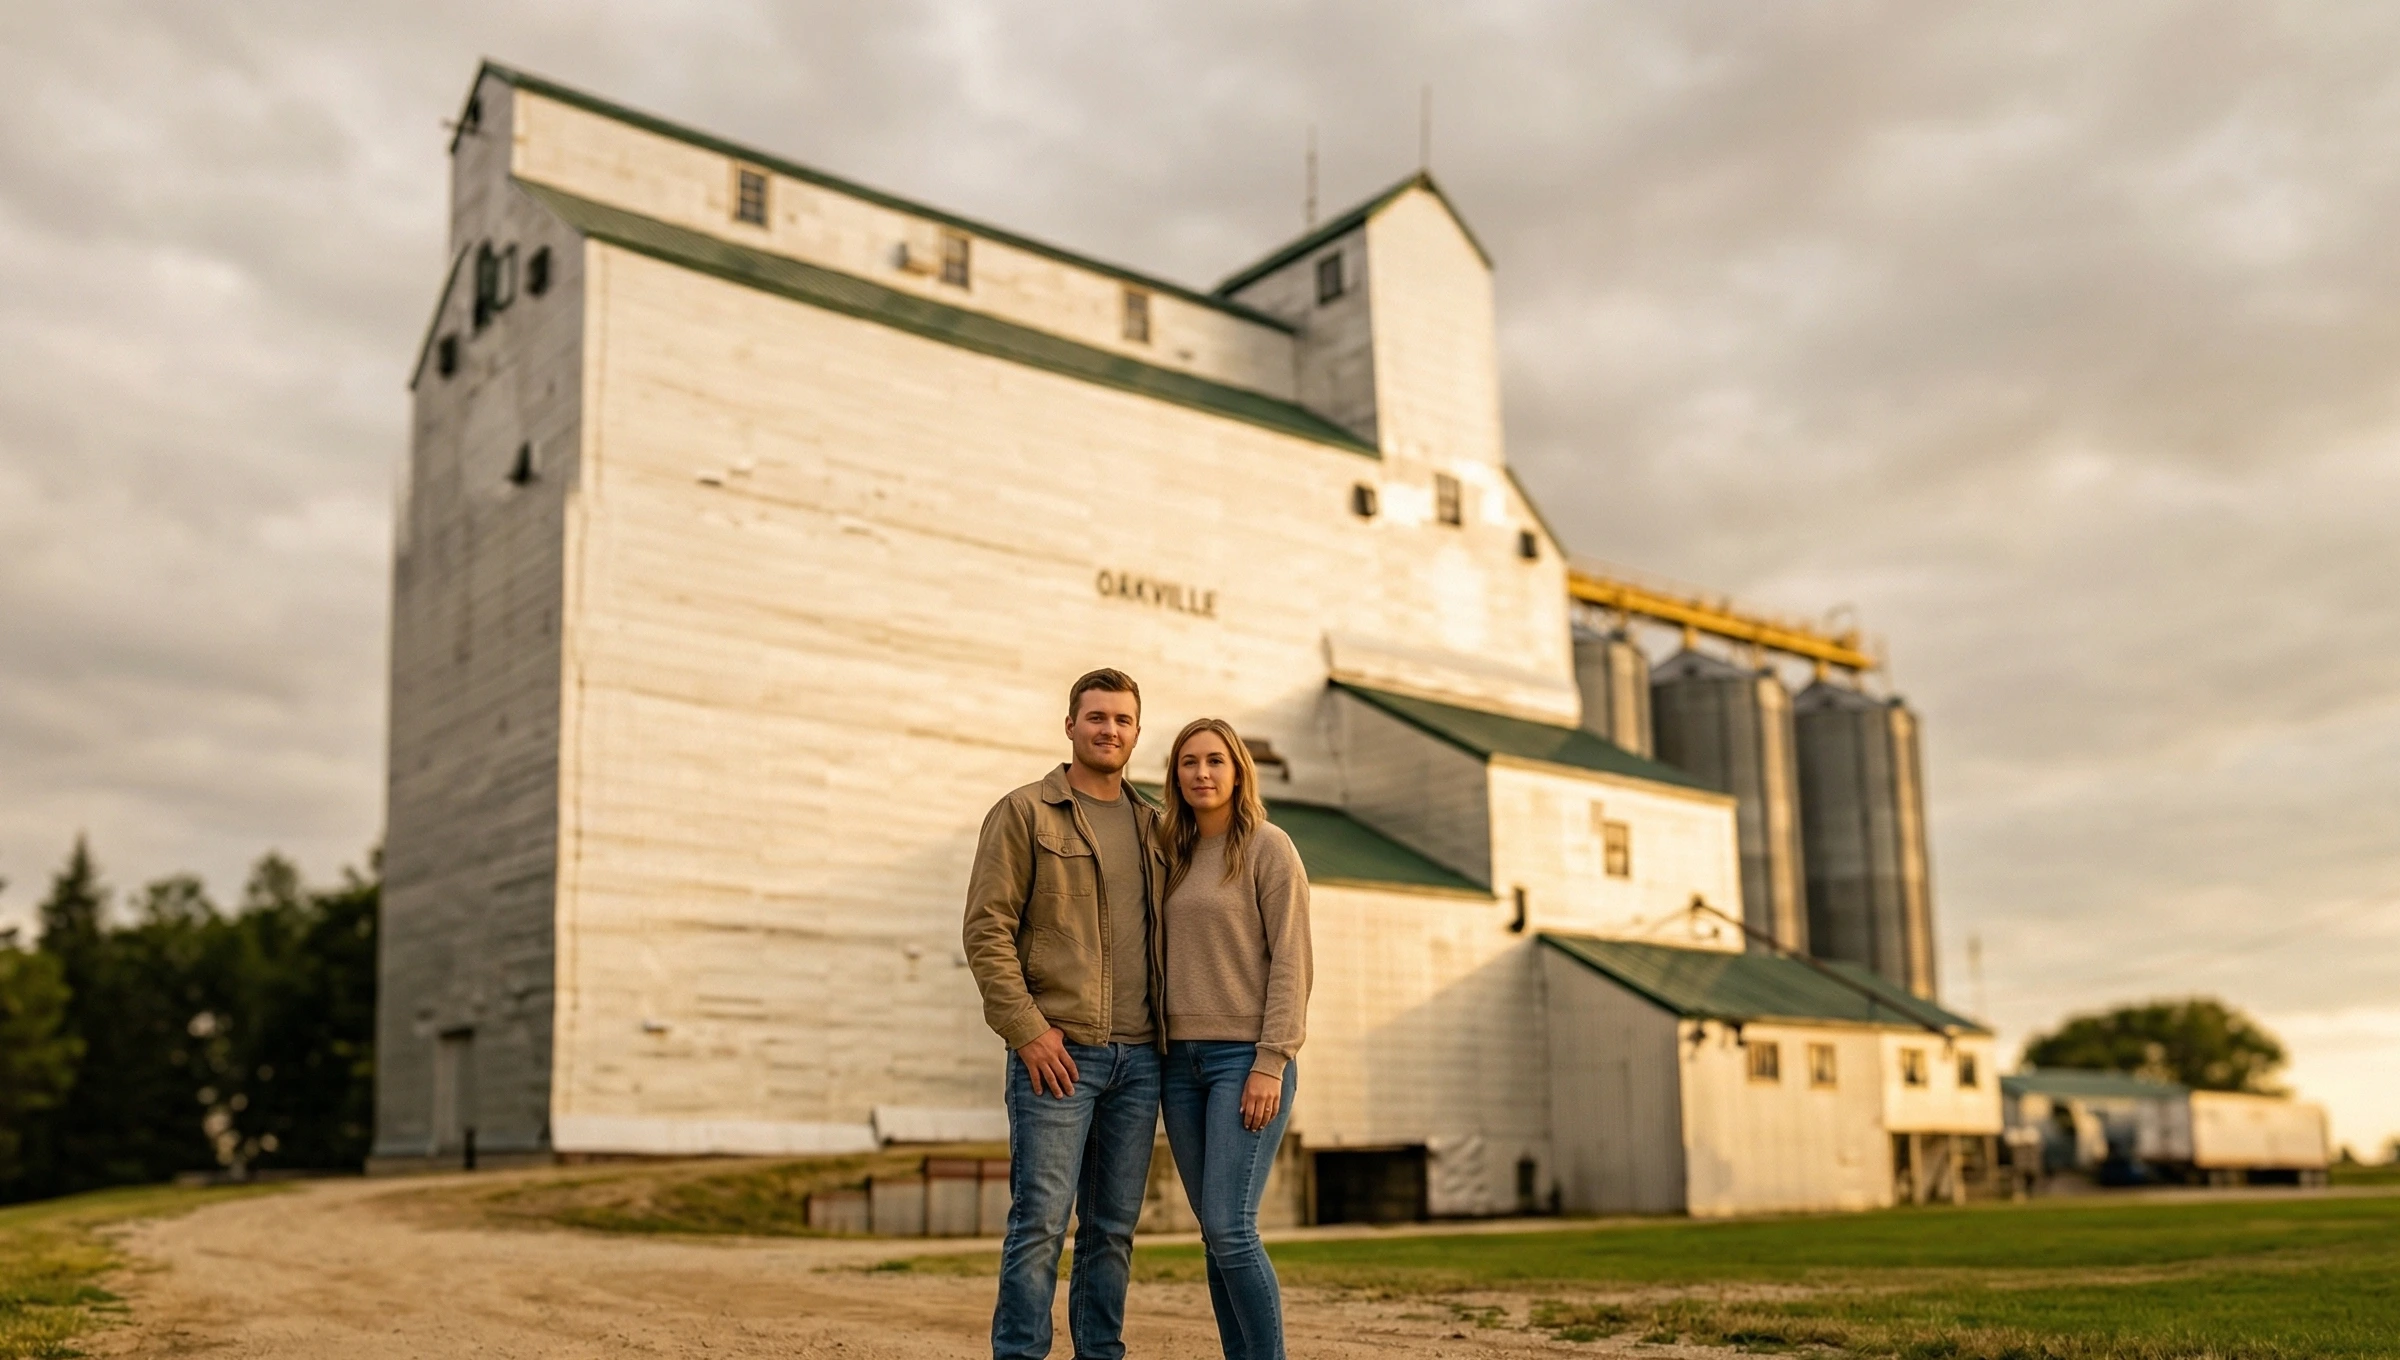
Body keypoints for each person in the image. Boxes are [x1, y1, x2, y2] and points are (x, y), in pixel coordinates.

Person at [962, 668, 1166, 1360]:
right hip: (1058, 1055)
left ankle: (1099, 1353)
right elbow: (986, 930)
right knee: (1041, 1224)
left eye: (1123, 720)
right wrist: (1027, 1030)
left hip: (1140, 1063)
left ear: (1137, 733)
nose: (1110, 730)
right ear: (1071, 724)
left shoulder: (1154, 828)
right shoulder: (1024, 813)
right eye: (1097, 717)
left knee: (1111, 1230)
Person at [1156, 717, 1313, 1360]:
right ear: (1176, 776)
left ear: (1238, 770)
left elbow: (1292, 961)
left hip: (1244, 1061)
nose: (1202, 773)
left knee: (1231, 1227)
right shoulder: (1171, 854)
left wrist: (1271, 1061)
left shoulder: (1269, 848)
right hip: (1176, 1065)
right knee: (1212, 1235)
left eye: (1215, 760)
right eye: (1189, 762)